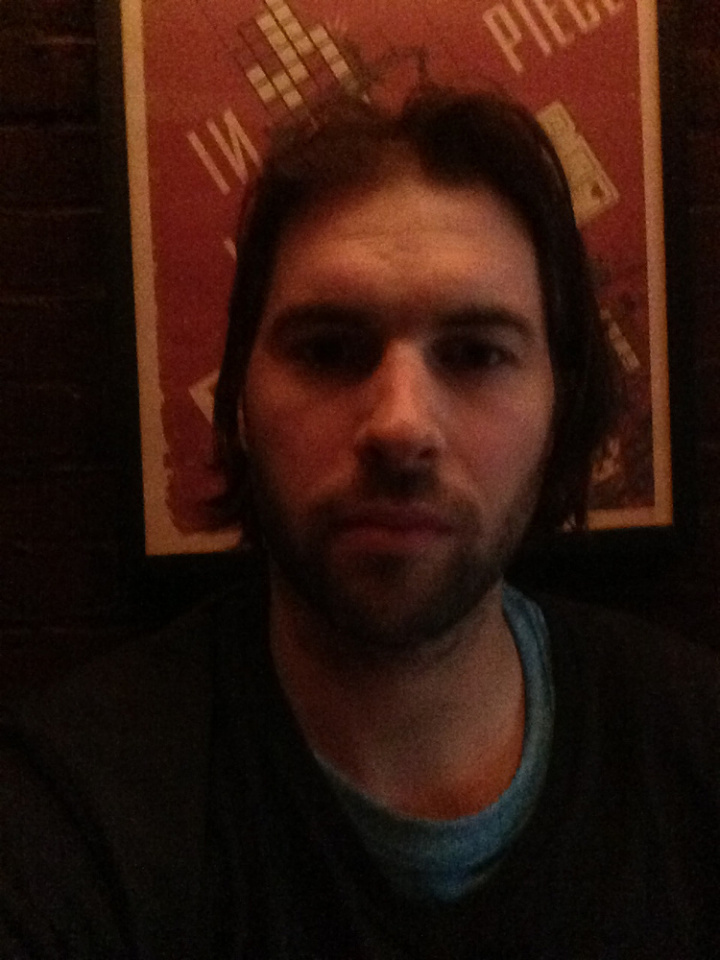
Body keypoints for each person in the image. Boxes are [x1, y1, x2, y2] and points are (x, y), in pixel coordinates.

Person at [1, 86, 718, 959]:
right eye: (329, 350)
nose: (400, 426)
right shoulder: (71, 810)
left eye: (475, 353)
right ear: (239, 402)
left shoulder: (693, 743)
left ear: (560, 410)